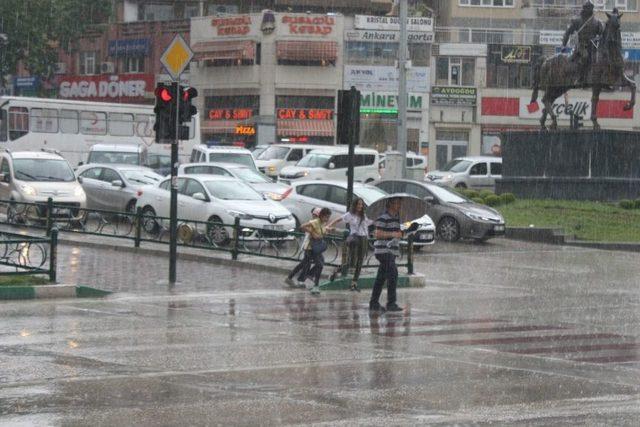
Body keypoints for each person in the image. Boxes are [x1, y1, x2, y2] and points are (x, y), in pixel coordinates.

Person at [327, 198, 373, 292]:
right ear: (355, 205)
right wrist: (329, 226)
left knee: (360, 262)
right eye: (358, 204)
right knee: (351, 262)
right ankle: (337, 271)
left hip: (364, 238)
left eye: (361, 204)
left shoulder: (365, 215)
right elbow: (339, 219)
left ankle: (354, 283)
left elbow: (371, 222)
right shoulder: (350, 214)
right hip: (355, 239)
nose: (360, 206)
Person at [370, 197, 403, 313]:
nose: (399, 205)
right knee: (393, 274)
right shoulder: (383, 217)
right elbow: (377, 234)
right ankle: (391, 303)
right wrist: (393, 233)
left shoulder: (397, 219)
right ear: (390, 204)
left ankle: (374, 302)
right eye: (397, 203)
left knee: (381, 277)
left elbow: (397, 234)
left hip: (392, 251)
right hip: (383, 251)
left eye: (400, 203)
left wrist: (403, 233)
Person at [562, 1, 604, 87]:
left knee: (603, 58)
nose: (588, 10)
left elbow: (602, 35)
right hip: (581, 46)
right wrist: (564, 44)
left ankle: (603, 79)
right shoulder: (577, 21)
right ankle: (581, 78)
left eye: (590, 8)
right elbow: (568, 32)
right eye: (586, 8)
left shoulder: (597, 22)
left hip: (593, 46)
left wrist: (597, 39)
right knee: (585, 56)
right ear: (584, 9)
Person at [285, 207, 321, 288]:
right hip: (308, 247)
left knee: (304, 264)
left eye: (316, 216)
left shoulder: (316, 223)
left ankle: (292, 278)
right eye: (314, 215)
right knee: (308, 264)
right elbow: (303, 228)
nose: (314, 217)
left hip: (312, 247)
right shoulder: (313, 223)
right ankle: (299, 279)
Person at [301, 207, 332, 295]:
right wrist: (312, 233)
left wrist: (327, 231)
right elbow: (302, 226)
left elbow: (322, 232)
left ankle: (311, 277)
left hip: (317, 249)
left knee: (321, 264)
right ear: (321, 216)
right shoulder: (315, 222)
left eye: (328, 217)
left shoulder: (322, 223)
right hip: (311, 248)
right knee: (319, 265)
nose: (327, 219)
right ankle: (315, 284)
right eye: (326, 217)